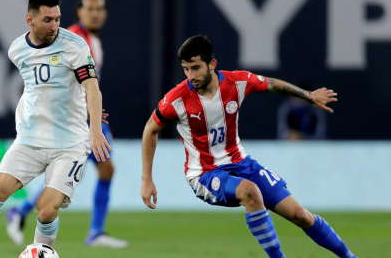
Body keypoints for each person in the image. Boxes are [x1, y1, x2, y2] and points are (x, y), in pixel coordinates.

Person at [140, 35, 357, 258]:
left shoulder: (237, 82)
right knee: (250, 191)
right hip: (205, 173)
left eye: (195, 68)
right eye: (186, 69)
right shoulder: (176, 99)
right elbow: (150, 130)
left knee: (299, 214)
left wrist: (308, 96)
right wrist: (147, 178)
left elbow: (272, 84)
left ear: (212, 64)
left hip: (242, 163)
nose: (190, 76)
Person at [0, 0, 112, 257]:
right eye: (48, 20)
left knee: (46, 208)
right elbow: (38, 88)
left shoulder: (75, 45)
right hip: (30, 139)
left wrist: (95, 129)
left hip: (70, 143)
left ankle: (42, 252)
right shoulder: (17, 50)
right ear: (30, 19)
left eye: (58, 19)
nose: (54, 26)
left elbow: (92, 88)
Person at [6, 0, 128, 248]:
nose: (95, 13)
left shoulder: (91, 40)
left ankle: (91, 230)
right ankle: (27, 212)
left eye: (99, 9)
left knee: (102, 169)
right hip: (74, 120)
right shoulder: (69, 38)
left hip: (88, 116)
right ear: (80, 12)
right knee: (79, 173)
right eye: (90, 9)